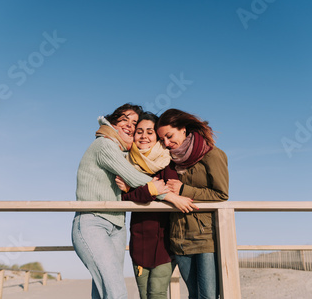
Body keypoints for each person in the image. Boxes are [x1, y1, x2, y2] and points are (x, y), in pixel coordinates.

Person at [72, 103, 168, 299]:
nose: (130, 125)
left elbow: (130, 182)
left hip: (117, 226)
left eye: (134, 123)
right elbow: (132, 176)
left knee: (102, 291)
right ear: (113, 122)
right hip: (93, 222)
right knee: (117, 292)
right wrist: (166, 193)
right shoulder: (105, 145)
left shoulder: (125, 154)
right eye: (124, 119)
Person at [115, 112, 197, 299]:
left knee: (157, 294)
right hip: (138, 244)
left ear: (157, 138)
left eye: (150, 132)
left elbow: (170, 191)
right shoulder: (128, 164)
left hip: (165, 245)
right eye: (140, 132)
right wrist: (150, 190)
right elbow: (125, 197)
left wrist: (145, 191)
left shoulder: (167, 163)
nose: (144, 136)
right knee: (144, 295)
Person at [156, 108, 229, 299]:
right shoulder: (168, 160)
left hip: (205, 239)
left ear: (183, 129)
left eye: (169, 136)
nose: (166, 143)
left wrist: (183, 190)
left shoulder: (212, 155)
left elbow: (221, 194)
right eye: (162, 139)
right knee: (193, 295)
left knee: (208, 296)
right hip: (178, 239)